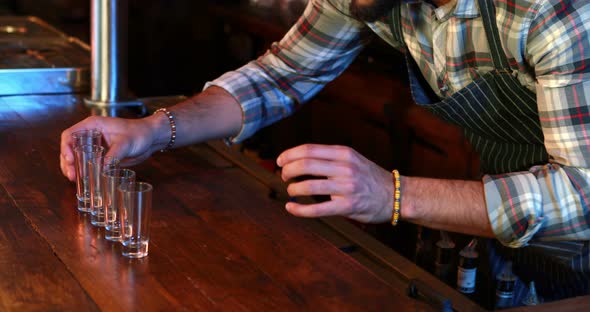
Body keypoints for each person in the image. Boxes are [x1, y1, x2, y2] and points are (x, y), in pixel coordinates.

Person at [60, 0, 590, 304]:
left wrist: (393, 195)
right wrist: (154, 129)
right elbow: (284, 72)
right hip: (516, 235)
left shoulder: (550, 11)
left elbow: (583, 192)